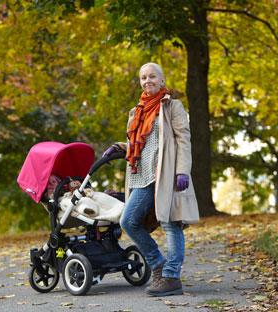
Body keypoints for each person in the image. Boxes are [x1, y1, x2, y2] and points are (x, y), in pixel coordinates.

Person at [103, 62, 199, 297]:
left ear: (162, 80)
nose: (148, 81)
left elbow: (183, 140)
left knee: (170, 223)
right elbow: (140, 143)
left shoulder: (172, 107)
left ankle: (171, 276)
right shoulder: (136, 112)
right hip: (141, 176)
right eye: (143, 78)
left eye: (152, 76)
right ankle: (157, 263)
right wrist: (120, 147)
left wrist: (182, 171)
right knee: (128, 221)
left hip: (165, 174)